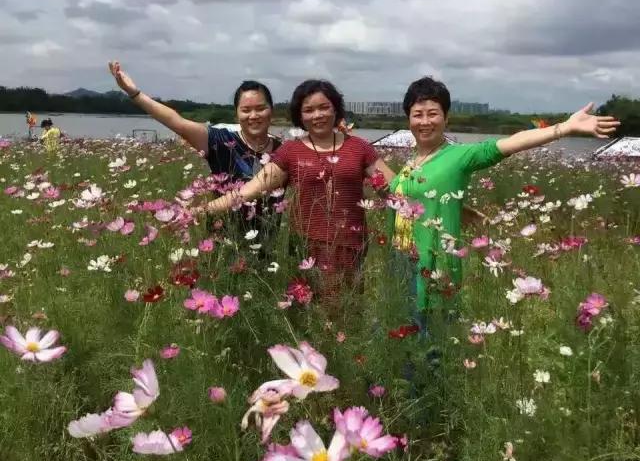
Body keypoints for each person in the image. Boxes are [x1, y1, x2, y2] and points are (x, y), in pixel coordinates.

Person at [388, 76, 620, 329]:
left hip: (433, 265)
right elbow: (414, 200)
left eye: (432, 114)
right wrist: (460, 210)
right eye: (417, 114)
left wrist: (563, 128)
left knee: (429, 346)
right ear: (408, 119)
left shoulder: (459, 155)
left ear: (446, 118)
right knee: (402, 345)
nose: (424, 122)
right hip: (401, 260)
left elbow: (508, 144)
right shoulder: (412, 162)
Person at [202, 79, 396, 300]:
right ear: (300, 116)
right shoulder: (290, 151)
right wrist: (204, 209)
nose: (317, 115)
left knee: (346, 313)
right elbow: (249, 190)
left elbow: (394, 189)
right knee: (307, 317)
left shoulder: (359, 148)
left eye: (324, 107)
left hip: (348, 246)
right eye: (309, 110)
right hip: (305, 248)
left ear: (336, 108)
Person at [108, 62, 283, 234]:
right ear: (236, 114)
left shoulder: (284, 151)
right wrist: (134, 93)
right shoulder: (221, 140)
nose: (253, 116)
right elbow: (176, 122)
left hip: (269, 245)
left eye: (260, 108)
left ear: (271, 111)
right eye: (246, 110)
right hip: (223, 241)